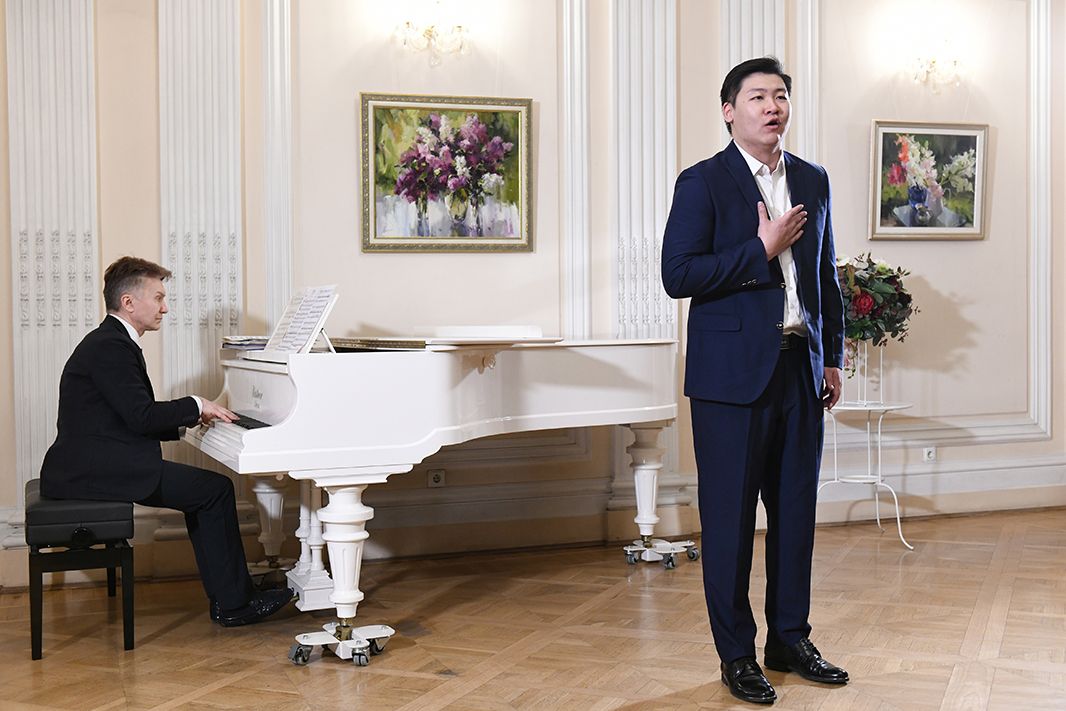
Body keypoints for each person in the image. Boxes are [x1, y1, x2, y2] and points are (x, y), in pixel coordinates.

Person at [661, 57, 848, 705]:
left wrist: (832, 356)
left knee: (795, 516)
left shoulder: (813, 179)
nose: (773, 106)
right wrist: (760, 249)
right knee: (731, 522)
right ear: (729, 110)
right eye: (758, 97)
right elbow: (678, 275)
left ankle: (790, 640)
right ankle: (737, 654)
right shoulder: (703, 182)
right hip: (729, 382)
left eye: (781, 96)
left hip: (801, 368)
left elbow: (824, 274)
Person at [41, 256, 293, 627]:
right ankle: (234, 603)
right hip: (95, 470)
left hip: (98, 462)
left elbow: (124, 416)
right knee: (214, 491)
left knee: (205, 493)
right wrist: (195, 406)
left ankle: (231, 595)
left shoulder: (110, 341)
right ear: (128, 302)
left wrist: (189, 423)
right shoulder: (111, 346)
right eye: (158, 298)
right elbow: (140, 416)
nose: (165, 307)